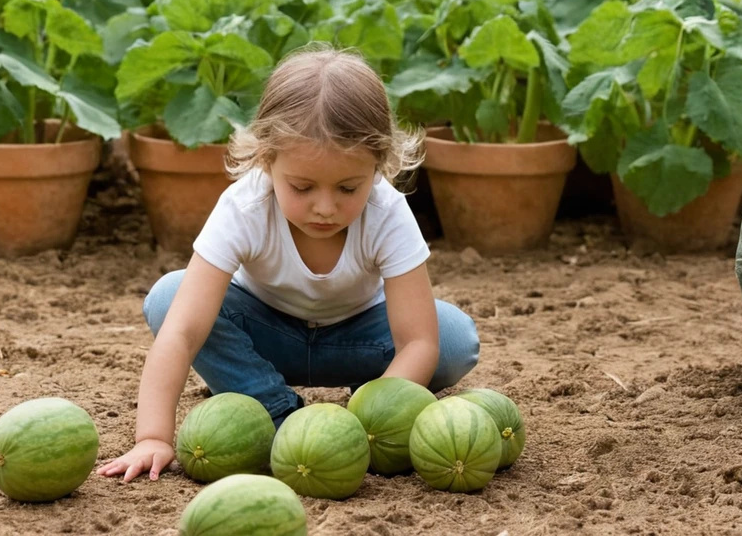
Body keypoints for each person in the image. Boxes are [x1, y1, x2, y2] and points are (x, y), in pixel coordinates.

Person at [97, 44, 480, 483]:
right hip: (264, 338)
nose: (325, 207)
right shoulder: (245, 206)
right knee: (168, 300)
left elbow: (417, 343)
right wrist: (153, 437)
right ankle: (276, 410)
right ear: (266, 159)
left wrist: (362, 426)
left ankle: (365, 395)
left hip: (358, 343)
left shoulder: (387, 211)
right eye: (302, 187)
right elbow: (183, 332)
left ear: (379, 164)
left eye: (348, 188)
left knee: (451, 339)